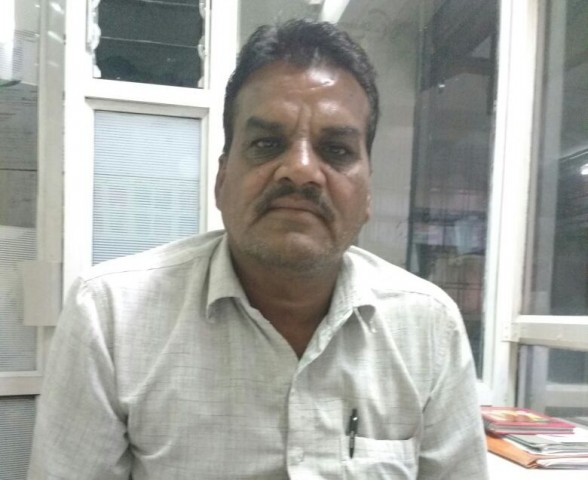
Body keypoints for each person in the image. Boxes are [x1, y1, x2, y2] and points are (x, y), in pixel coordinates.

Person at [28, 19, 489, 479]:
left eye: (336, 150)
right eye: (267, 144)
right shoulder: (110, 316)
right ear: (221, 179)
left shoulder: (428, 327)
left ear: (367, 194)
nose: (301, 170)